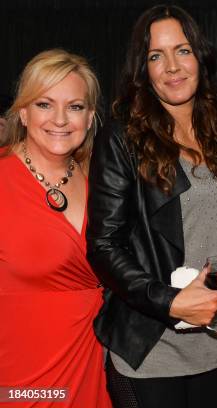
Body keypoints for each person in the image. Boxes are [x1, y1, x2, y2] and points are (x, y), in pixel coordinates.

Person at [86, 5, 217, 408]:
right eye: (156, 56)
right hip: (152, 350)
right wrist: (170, 301)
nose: (172, 66)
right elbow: (104, 246)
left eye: (182, 50)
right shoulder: (122, 138)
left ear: (200, 57)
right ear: (143, 69)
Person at [0, 49, 111, 407]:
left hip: (95, 371)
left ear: (90, 117)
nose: (60, 119)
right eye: (45, 104)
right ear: (23, 112)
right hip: (21, 382)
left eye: (75, 106)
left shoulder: (103, 182)